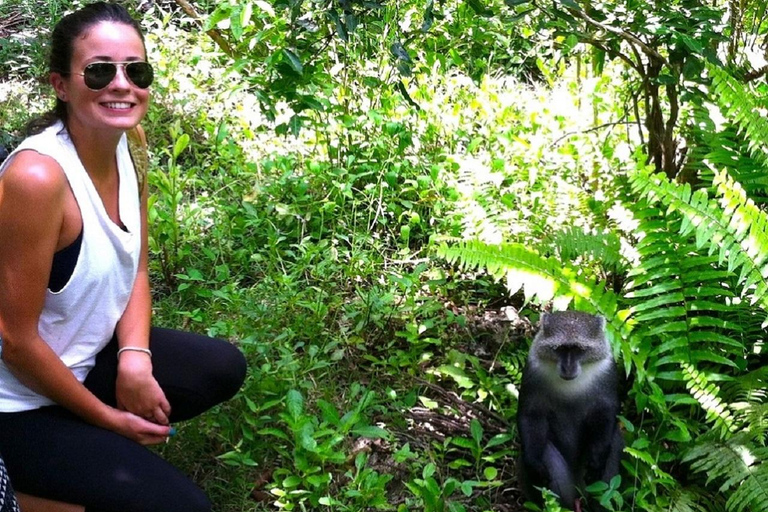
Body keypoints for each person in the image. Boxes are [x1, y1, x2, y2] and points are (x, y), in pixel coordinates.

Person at [0, 3, 247, 511]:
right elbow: (14, 341)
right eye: (98, 71)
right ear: (61, 84)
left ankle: (77, 460)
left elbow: (134, 264)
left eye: (136, 71)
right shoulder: (37, 178)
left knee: (220, 367)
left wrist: (135, 359)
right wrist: (106, 419)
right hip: (15, 405)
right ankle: (21, 495)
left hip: (81, 363)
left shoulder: (128, 142)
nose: (121, 84)